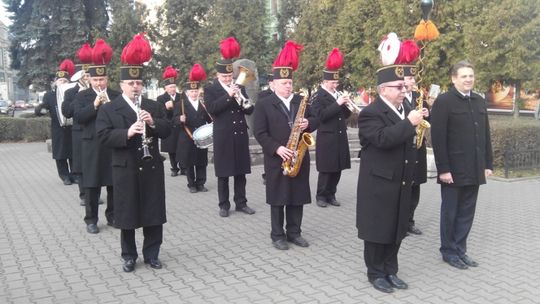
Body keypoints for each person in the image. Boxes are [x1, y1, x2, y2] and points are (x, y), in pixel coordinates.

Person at [96, 33, 170, 273]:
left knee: (153, 212)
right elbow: (103, 136)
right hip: (125, 167)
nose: (136, 87)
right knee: (127, 214)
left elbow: (169, 130)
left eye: (139, 83)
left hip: (151, 167)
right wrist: (127, 132)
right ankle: (129, 255)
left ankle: (152, 254)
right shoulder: (110, 108)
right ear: (122, 85)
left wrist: (154, 123)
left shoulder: (152, 106)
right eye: (131, 84)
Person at [254, 40, 318, 250]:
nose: (288, 86)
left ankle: (294, 232)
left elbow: (316, 119)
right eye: (283, 83)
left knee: (297, 196)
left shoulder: (301, 100)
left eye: (290, 82)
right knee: (278, 198)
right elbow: (259, 132)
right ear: (273, 85)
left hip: (298, 156)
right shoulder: (264, 104)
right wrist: (277, 148)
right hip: (278, 157)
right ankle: (277, 235)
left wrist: (309, 123)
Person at [431, 60, 493, 270]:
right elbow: (438, 138)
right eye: (464, 76)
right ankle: (448, 251)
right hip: (453, 170)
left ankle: (460, 249)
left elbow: (485, 135)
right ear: (454, 79)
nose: (468, 79)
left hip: (474, 167)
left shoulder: (478, 100)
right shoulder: (444, 101)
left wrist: (487, 163)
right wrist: (444, 170)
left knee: (467, 211)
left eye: (471, 76)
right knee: (450, 212)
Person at [204, 37, 255, 217]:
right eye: (224, 77)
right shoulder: (210, 89)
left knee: (241, 171)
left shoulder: (239, 87)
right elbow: (212, 109)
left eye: (229, 76)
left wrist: (244, 101)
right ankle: (224, 205)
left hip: (240, 134)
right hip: (223, 135)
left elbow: (250, 111)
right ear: (218, 76)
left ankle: (241, 203)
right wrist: (229, 96)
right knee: (224, 173)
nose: (228, 79)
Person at [73, 39, 120, 234]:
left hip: (111, 144)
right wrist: (95, 105)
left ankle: (113, 215)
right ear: (90, 80)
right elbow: (79, 117)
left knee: (113, 183)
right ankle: (91, 219)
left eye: (102, 80)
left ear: (107, 80)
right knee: (91, 185)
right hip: (91, 145)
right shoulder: (82, 97)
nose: (99, 83)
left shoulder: (116, 95)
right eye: (95, 80)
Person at [311, 48, 351, 208]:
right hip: (327, 137)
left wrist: (346, 105)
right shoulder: (317, 96)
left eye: (336, 82)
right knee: (327, 169)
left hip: (340, 135)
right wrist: (338, 104)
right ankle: (321, 196)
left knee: (338, 168)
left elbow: (345, 116)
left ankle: (331, 194)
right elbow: (320, 116)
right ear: (325, 82)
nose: (336, 85)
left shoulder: (337, 95)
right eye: (333, 83)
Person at [61, 43, 93, 205]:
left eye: (89, 76)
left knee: (93, 163)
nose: (88, 79)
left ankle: (93, 192)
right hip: (79, 132)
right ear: (80, 78)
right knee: (80, 164)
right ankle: (83, 195)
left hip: (94, 131)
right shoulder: (70, 92)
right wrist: (77, 99)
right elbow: (66, 112)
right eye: (86, 76)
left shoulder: (96, 91)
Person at [173, 64, 212, 193]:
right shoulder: (181, 105)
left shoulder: (202, 104)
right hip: (187, 137)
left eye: (196, 91)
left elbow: (209, 119)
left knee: (201, 161)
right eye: (192, 91)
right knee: (189, 162)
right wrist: (180, 119)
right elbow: (173, 120)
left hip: (201, 138)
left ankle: (201, 183)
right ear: (187, 92)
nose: (194, 93)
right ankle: (191, 184)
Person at [37, 59, 75, 186]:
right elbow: (44, 107)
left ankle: (74, 174)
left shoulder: (72, 93)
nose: (62, 83)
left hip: (72, 127)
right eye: (60, 81)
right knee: (60, 153)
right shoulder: (49, 95)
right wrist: (40, 109)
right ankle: (64, 176)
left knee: (73, 152)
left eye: (65, 81)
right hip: (58, 128)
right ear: (56, 83)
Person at [402, 64, 429, 235]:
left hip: (418, 146)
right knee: (403, 188)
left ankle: (410, 221)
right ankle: (401, 223)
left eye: (413, 78)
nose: (413, 81)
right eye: (410, 78)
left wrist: (426, 112)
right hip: (404, 145)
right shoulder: (397, 97)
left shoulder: (419, 95)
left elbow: (428, 117)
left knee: (415, 187)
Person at [156, 66, 183, 177]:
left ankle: (184, 167)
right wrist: (167, 109)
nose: (172, 89)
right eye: (170, 87)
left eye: (174, 86)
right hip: (169, 126)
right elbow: (161, 114)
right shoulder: (161, 98)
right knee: (172, 149)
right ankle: (174, 168)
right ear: (166, 88)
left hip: (180, 125)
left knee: (181, 147)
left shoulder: (181, 96)